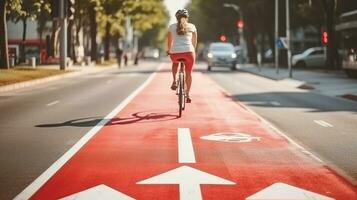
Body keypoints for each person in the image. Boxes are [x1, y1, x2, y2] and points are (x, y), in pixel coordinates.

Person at [167, 9, 197, 103]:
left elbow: (169, 42)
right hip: (189, 53)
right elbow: (194, 42)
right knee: (188, 74)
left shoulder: (171, 27)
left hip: (175, 53)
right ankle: (187, 94)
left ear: (176, 18)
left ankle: (174, 81)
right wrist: (192, 50)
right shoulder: (192, 26)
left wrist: (169, 50)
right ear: (187, 17)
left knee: (175, 63)